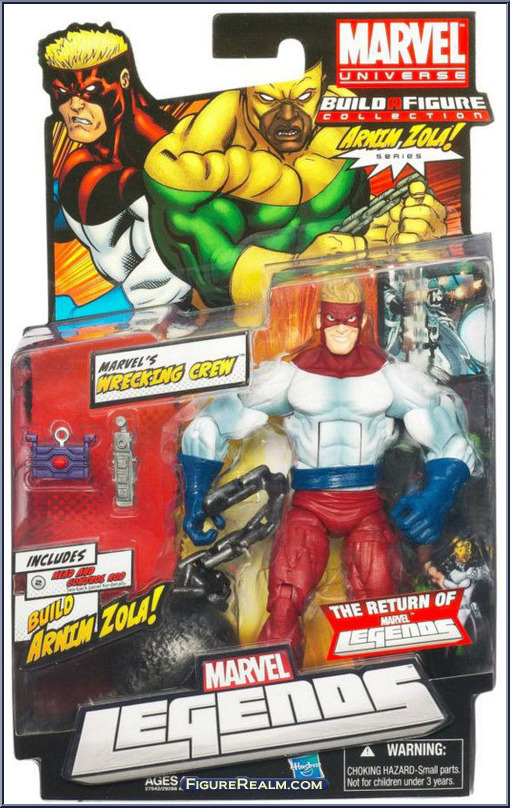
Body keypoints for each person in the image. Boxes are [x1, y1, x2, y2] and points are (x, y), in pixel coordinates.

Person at [179, 277, 476, 660]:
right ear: (319, 320)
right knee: (284, 603)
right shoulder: (289, 377)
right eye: (333, 319)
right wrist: (195, 496)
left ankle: (384, 679)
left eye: (349, 320)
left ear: (363, 321)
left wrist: (437, 496)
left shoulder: (391, 379)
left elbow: (450, 436)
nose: (341, 329)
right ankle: (277, 679)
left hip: (365, 505)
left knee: (380, 606)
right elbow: (211, 424)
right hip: (309, 505)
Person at [144, 62, 447, 307]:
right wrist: (299, 271)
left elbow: (355, 225)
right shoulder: (193, 173)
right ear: (243, 92)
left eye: (305, 97)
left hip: (341, 316)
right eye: (267, 99)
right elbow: (215, 273)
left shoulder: (341, 141)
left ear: (322, 85)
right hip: (232, 329)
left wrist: (393, 236)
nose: (288, 116)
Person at [40, 23, 191, 319]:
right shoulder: (85, 156)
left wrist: (79, 318)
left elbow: (171, 270)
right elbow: (67, 220)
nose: (75, 107)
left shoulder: (161, 158)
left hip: (161, 320)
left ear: (123, 79)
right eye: (62, 93)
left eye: (90, 91)